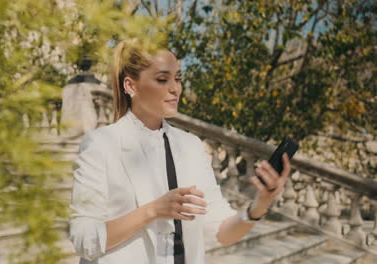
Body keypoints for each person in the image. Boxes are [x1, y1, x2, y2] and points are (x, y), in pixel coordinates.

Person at [69, 39, 291, 264]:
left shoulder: (191, 146)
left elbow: (222, 231)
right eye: (162, 79)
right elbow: (83, 239)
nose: (175, 88)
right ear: (131, 86)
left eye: (178, 78)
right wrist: (152, 210)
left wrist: (260, 205)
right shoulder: (100, 144)